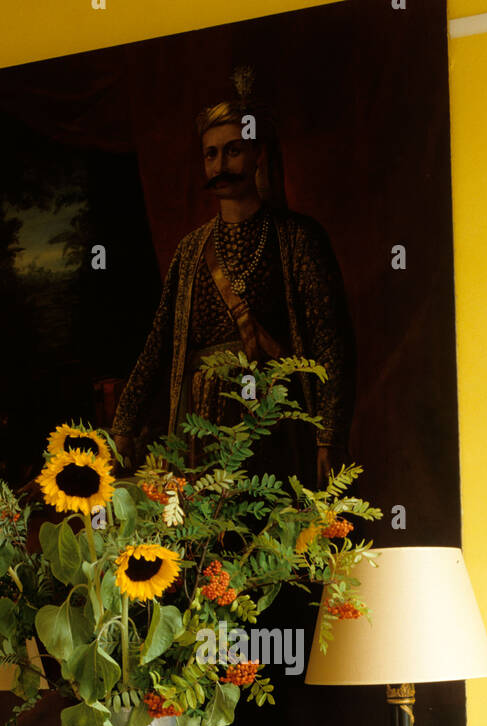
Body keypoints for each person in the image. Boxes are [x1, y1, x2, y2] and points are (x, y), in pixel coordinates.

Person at [111, 68, 355, 486]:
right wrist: (123, 425)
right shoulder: (190, 251)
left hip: (276, 424)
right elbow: (157, 347)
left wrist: (328, 438)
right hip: (199, 428)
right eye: (210, 154)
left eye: (233, 151)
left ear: (258, 154)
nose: (220, 165)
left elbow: (331, 343)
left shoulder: (299, 238)